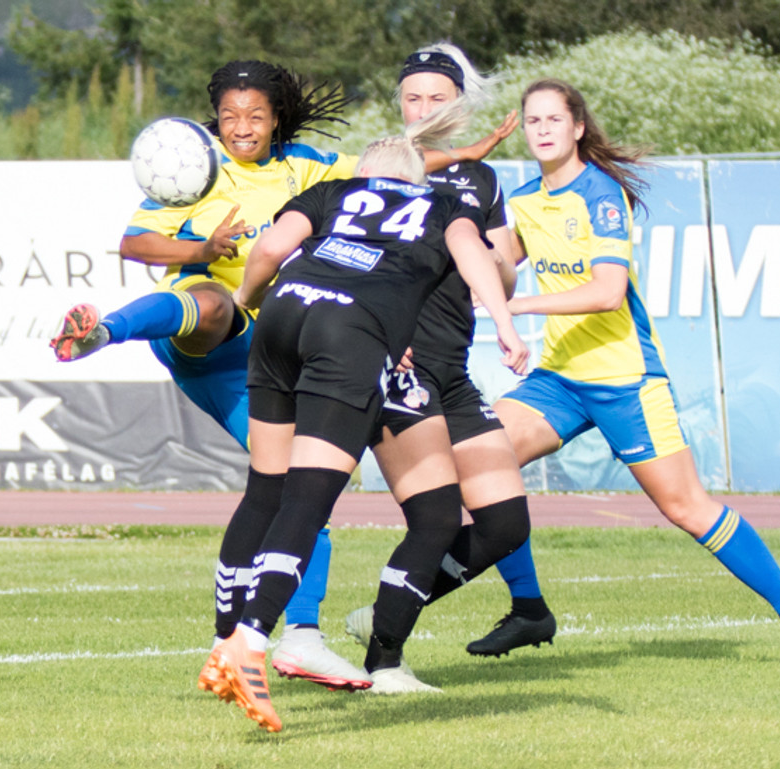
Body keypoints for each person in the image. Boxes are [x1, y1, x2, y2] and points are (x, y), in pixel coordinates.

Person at [466, 77, 780, 667]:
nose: (542, 130)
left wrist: (514, 306)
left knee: (687, 508)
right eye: (532, 120)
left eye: (553, 119)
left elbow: (608, 291)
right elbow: (491, 264)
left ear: (578, 127)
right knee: (483, 461)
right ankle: (529, 609)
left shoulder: (601, 193)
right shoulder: (527, 200)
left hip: (625, 380)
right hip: (560, 379)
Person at [202, 102, 528, 731]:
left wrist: (244, 299)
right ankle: (250, 641)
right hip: (348, 334)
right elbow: (474, 257)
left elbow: (270, 248)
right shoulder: (440, 204)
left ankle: (225, 637)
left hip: (282, 317)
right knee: (308, 498)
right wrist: (507, 328)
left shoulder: (333, 191)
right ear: (415, 179)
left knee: (267, 488)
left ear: (364, 174)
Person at [49, 60, 371, 690]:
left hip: (265, 358)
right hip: (203, 337)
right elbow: (136, 244)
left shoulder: (305, 166)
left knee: (303, 487)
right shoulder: (198, 169)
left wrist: (462, 152)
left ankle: (274, 641)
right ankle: (102, 333)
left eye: (254, 115)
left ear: (276, 118)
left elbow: (388, 170)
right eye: (229, 116)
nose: (241, 127)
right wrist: (201, 250)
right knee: (217, 303)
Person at [341, 43, 544, 691]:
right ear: (399, 104)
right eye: (413, 98)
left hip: (452, 372)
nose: (424, 108)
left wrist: (489, 256)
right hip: (396, 368)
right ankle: (377, 659)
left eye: (437, 97)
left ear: (460, 104)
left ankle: (383, 617)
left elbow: (503, 277)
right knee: (433, 520)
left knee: (505, 523)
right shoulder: (384, 167)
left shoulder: (483, 181)